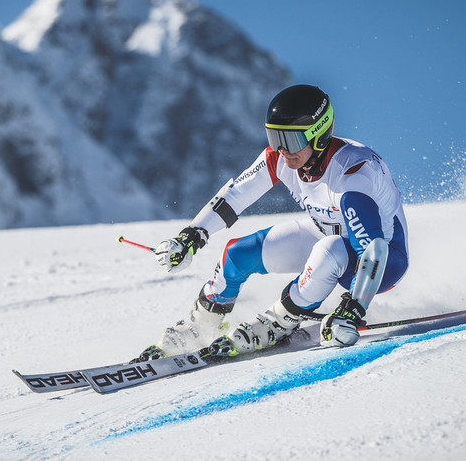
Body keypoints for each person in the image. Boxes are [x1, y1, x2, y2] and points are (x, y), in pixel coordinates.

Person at [136, 84, 409, 361]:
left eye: (290, 141)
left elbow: (373, 249)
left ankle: (279, 321)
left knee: (329, 250)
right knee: (237, 254)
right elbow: (235, 197)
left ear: (319, 136)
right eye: (274, 137)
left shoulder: (352, 174)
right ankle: (201, 328)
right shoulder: (281, 157)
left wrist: (353, 309)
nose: (282, 150)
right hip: (327, 235)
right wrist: (191, 236)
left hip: (382, 260)